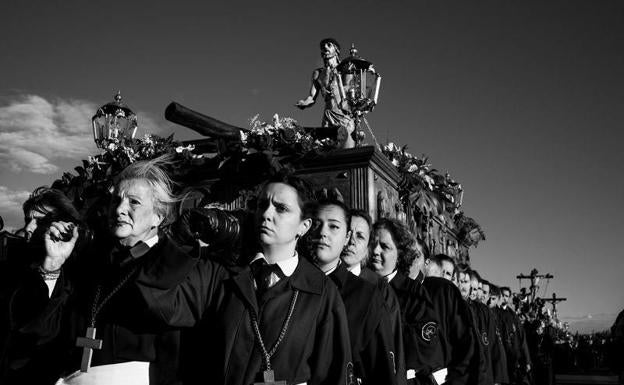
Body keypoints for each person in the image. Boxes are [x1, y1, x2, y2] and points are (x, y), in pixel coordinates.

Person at [135, 172, 353, 385]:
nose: (267, 214)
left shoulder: (320, 291)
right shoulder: (221, 272)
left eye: (281, 208)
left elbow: (333, 374)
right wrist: (180, 238)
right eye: (262, 205)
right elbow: (159, 300)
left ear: (304, 226)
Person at [26, 157, 188, 385]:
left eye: (134, 202)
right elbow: (42, 335)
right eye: (116, 200)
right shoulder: (90, 262)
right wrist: (53, 266)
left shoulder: (176, 267)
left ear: (158, 216)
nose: (120, 209)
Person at [371, 218, 475, 385]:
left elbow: (422, 349)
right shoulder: (357, 286)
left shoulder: (414, 293)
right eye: (372, 244)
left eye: (385, 246)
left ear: (399, 254)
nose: (375, 251)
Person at [0, 187, 84, 384]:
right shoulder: (12, 269)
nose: (29, 228)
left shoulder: (78, 275)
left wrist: (52, 267)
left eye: (40, 221)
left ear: (64, 226)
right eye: (28, 220)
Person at [310, 200, 397, 385]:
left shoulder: (371, 294)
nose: (323, 233)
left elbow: (383, 367)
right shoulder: (295, 282)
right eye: (317, 224)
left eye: (334, 226)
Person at [341, 209, 406, 385]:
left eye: (360, 236)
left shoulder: (378, 288)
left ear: (367, 247)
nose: (351, 242)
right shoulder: (318, 278)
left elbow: (391, 352)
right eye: (347, 233)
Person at [296, 38, 355, 149]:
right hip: (328, 114)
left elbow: (349, 87)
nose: (325, 47)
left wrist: (336, 87)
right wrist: (305, 102)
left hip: (343, 112)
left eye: (329, 45)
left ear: (336, 50)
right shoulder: (318, 73)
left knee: (346, 145)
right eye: (323, 46)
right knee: (327, 146)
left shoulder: (345, 67)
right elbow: (312, 96)